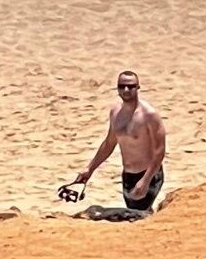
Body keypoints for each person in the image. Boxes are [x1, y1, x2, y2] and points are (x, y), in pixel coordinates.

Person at [61, 71, 167, 215]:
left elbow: (159, 151)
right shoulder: (115, 113)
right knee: (138, 215)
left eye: (131, 86)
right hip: (128, 175)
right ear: (117, 89)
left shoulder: (149, 115)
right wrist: (89, 169)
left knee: (137, 213)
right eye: (122, 86)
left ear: (138, 88)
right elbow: (109, 143)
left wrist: (145, 180)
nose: (126, 90)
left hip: (149, 174)